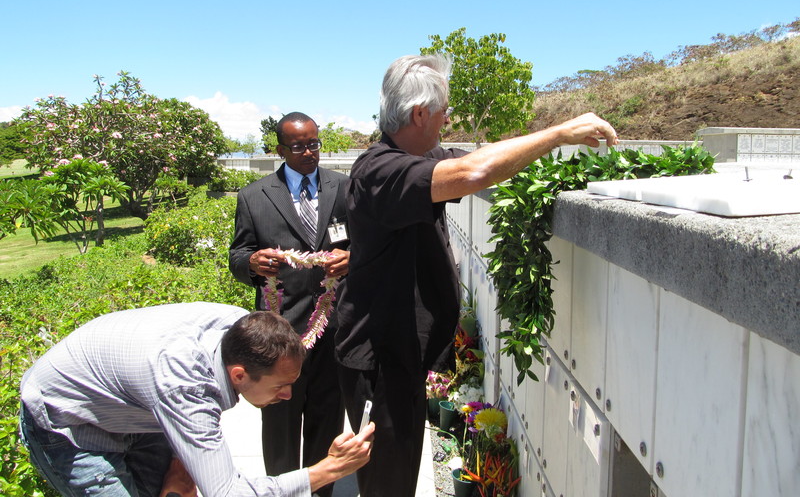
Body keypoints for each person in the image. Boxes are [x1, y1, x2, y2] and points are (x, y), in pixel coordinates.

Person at [334, 54, 619, 496]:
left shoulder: (415, 157)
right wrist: (560, 133)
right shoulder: (380, 170)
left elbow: (483, 160)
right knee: (387, 483)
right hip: (379, 363)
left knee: (400, 475)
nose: (448, 120)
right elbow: (472, 172)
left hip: (399, 356)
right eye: (444, 111)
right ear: (419, 114)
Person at [19, 302, 374, 497]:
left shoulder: (242, 328)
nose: (288, 395)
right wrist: (327, 470)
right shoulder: (185, 388)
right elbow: (227, 492)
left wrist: (182, 462)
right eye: (281, 386)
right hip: (70, 423)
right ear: (239, 375)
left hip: (135, 404)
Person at [229, 112, 349, 496]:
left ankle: (320, 489)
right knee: (280, 425)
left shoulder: (343, 188)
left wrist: (353, 258)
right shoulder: (254, 196)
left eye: (314, 144)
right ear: (280, 150)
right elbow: (238, 254)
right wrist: (251, 262)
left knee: (326, 419)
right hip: (279, 334)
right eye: (298, 146)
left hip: (333, 328)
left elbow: (365, 240)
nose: (309, 152)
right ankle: (281, 490)